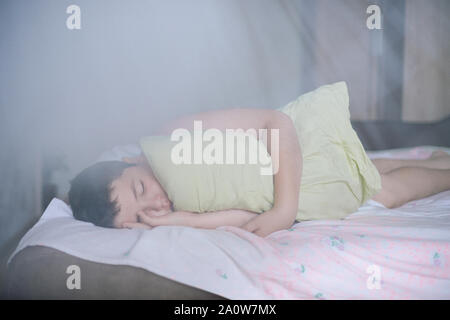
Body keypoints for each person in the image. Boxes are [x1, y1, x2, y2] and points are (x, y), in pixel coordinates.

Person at [68, 108, 450, 237]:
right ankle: (439, 160)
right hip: (301, 185)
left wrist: (284, 209)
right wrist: (177, 221)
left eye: (140, 188)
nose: (155, 204)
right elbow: (250, 218)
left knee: (385, 189)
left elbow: (276, 121)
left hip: (298, 152)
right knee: (376, 172)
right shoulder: (179, 206)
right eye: (141, 217)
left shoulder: (177, 134)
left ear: (134, 162)